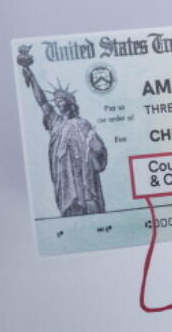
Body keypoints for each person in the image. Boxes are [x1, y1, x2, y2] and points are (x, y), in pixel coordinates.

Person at [17, 48, 107, 216]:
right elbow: (42, 101)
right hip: (64, 170)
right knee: (71, 204)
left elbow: (97, 146)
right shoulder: (55, 121)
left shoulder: (82, 123)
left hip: (83, 170)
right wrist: (31, 76)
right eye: (57, 101)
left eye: (61, 101)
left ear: (69, 103)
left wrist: (96, 149)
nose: (58, 104)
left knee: (87, 202)